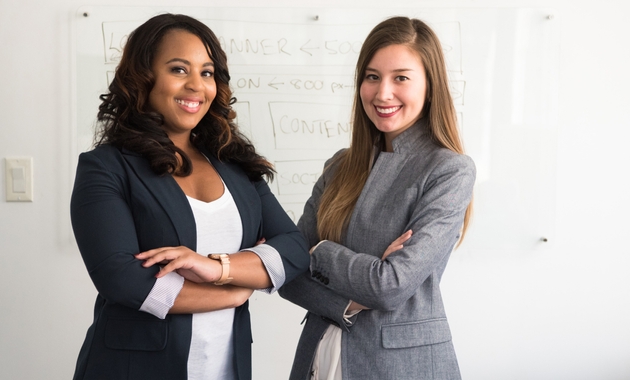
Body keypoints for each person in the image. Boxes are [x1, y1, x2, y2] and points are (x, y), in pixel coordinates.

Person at [70, 13, 309, 380]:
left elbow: (293, 248)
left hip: (226, 368)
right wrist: (233, 292)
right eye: (179, 69)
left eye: (207, 72)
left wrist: (218, 268)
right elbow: (123, 279)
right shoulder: (106, 168)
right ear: (144, 77)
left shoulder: (235, 166)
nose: (196, 85)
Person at [278, 16, 475, 380]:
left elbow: (390, 286)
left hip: (400, 367)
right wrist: (349, 302)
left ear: (430, 87)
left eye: (401, 77)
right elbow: (288, 274)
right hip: (318, 357)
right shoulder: (339, 166)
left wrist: (318, 251)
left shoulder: (449, 170)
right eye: (372, 77)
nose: (383, 93)